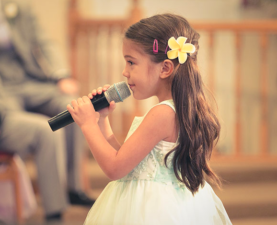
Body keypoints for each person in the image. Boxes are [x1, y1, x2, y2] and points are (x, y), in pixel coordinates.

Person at [67, 14, 232, 224]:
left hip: (154, 210)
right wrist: (101, 120)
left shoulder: (162, 114)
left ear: (164, 68)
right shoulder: (172, 110)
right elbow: (126, 162)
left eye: (131, 62)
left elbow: (114, 168)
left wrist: (87, 125)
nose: (124, 72)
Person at [0, 0, 94, 221]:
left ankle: (73, 188)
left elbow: (45, 42)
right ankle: (50, 204)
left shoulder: (17, 8)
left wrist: (61, 75)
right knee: (42, 130)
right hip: (4, 91)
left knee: (71, 105)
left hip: (29, 81)